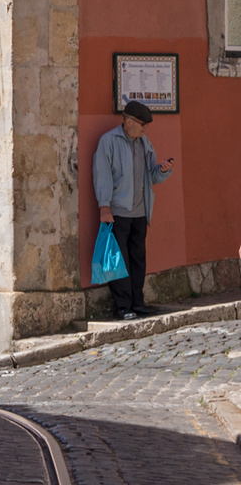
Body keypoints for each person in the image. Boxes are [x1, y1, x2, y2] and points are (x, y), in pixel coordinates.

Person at [92, 100, 174, 320]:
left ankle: (137, 302)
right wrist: (104, 205)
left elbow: (150, 176)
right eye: (141, 124)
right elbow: (102, 175)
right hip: (117, 211)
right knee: (120, 261)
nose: (144, 129)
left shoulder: (144, 143)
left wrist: (163, 170)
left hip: (140, 211)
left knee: (138, 259)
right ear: (128, 121)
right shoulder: (108, 142)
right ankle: (122, 306)